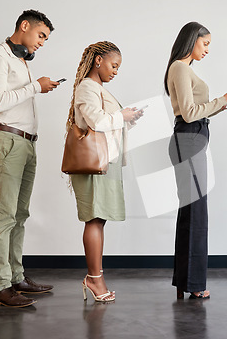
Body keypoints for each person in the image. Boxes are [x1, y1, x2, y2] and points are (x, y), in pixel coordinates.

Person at [0, 9, 59, 308]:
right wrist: (35, 87)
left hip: (25, 144)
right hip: (6, 141)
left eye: (46, 39)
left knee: (20, 215)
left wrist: (38, 87)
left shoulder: (20, 60)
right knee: (3, 217)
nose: (42, 43)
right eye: (41, 35)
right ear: (24, 26)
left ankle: (15, 278)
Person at [165, 22, 227, 299]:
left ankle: (187, 282)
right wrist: (221, 99)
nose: (207, 49)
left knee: (192, 213)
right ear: (192, 40)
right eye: (205, 43)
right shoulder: (180, 67)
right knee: (196, 214)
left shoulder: (183, 68)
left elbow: (197, 112)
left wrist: (223, 104)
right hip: (188, 138)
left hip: (191, 137)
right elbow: (188, 112)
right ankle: (194, 284)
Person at [66, 41, 142, 302]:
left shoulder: (97, 88)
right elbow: (96, 121)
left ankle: (95, 277)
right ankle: (94, 279)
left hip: (104, 163)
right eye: (114, 65)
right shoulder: (87, 87)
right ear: (98, 60)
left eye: (118, 67)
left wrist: (127, 119)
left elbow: (106, 124)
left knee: (99, 219)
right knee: (95, 219)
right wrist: (123, 115)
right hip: (94, 165)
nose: (116, 71)